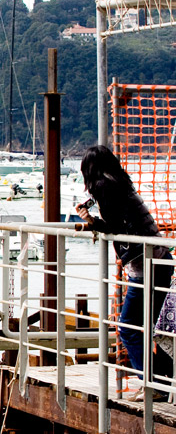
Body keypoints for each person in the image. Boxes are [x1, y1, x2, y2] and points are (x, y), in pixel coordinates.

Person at [76, 145, 173, 400]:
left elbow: (118, 229)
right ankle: (164, 379)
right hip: (159, 260)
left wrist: (93, 222)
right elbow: (123, 226)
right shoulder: (120, 183)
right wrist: (94, 221)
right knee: (154, 327)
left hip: (146, 266)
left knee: (128, 328)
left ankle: (153, 385)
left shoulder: (103, 187)